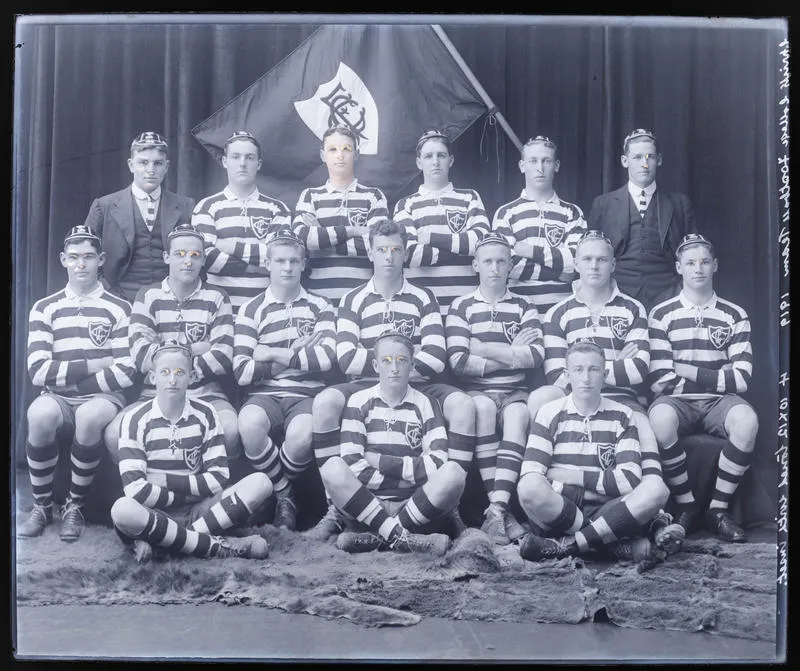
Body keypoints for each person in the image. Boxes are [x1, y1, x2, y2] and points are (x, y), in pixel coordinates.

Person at [307, 219, 476, 541]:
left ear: (405, 254)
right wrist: (392, 365)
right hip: (366, 383)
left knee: (464, 405)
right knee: (325, 401)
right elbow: (346, 358)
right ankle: (336, 509)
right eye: (382, 250)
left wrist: (396, 365)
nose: (389, 256)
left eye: (396, 249)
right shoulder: (353, 299)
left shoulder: (422, 297)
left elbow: (436, 357)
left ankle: (450, 505)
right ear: (370, 253)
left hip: (417, 381)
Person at [526, 229, 683, 554]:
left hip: (622, 400)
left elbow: (638, 369)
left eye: (601, 259)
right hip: (573, 399)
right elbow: (557, 375)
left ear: (613, 264)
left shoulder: (633, 309)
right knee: (542, 399)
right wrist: (610, 363)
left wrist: (589, 368)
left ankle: (656, 517)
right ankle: (615, 535)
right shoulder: (558, 312)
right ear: (576, 264)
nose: (594, 266)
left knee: (642, 423)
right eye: (587, 259)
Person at [19, 225, 137, 541]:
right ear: (63, 260)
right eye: (73, 257)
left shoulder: (119, 308)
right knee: (39, 414)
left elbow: (126, 371)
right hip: (57, 397)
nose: (81, 264)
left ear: (101, 259)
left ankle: (75, 506)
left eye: (88, 257)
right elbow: (38, 371)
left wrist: (77, 385)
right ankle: (42, 506)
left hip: (103, 397)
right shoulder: (45, 308)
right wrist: (93, 364)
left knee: (89, 415)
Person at [110, 341, 272, 562]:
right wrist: (186, 493)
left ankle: (169, 545)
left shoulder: (206, 413)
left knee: (261, 483)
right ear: (152, 377)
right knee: (122, 509)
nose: (172, 380)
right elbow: (135, 490)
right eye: (165, 372)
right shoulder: (134, 419)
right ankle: (216, 546)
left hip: (200, 510)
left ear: (192, 377)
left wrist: (165, 480)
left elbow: (218, 479)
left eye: (180, 372)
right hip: (155, 512)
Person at [517, 341, 671, 564]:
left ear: (605, 375)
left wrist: (572, 476)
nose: (586, 378)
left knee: (656, 489)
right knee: (528, 486)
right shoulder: (549, 412)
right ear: (567, 375)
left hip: (607, 510)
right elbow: (532, 473)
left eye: (594, 370)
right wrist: (593, 492)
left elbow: (629, 481)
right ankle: (611, 545)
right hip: (561, 510)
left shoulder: (623, 414)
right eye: (578, 370)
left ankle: (568, 545)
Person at [648, 234, 758, 542]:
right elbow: (662, 379)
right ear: (679, 268)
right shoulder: (661, 314)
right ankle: (687, 506)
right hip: (675, 401)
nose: (698, 269)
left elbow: (741, 379)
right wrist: (717, 374)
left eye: (705, 262)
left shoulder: (734, 314)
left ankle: (717, 510)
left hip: (719, 402)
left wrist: (688, 369)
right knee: (660, 420)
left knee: (747, 421)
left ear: (715, 266)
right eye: (690, 263)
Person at [102, 223, 238, 460]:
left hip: (206, 393)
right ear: (167, 257)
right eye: (180, 254)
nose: (188, 261)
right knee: (115, 434)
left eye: (195, 255)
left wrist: (162, 351)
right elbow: (141, 357)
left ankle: (216, 481)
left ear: (203, 259)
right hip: (154, 393)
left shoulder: (217, 297)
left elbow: (222, 357)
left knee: (231, 429)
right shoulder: (148, 295)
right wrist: (194, 348)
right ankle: (143, 481)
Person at [320, 330, 462, 556]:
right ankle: (400, 538)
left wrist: (381, 462)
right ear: (376, 366)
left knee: (454, 472)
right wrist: (407, 477)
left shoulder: (427, 403)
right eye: (386, 361)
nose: (394, 368)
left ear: (412, 365)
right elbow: (353, 465)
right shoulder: (358, 401)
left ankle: (379, 538)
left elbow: (436, 463)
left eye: (401, 360)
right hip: (367, 505)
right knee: (332, 468)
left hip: (414, 506)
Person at [446, 232, 545, 545]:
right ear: (475, 265)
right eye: (488, 261)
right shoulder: (462, 306)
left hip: (515, 391)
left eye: (502, 261)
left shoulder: (524, 305)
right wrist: (511, 352)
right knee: (484, 408)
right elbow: (459, 361)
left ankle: (497, 509)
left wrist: (484, 349)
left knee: (518, 415)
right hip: (477, 392)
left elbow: (535, 356)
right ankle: (503, 514)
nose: (495, 268)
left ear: (511, 265)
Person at [234, 228, 336, 531]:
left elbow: (325, 360)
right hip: (264, 394)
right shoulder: (251, 309)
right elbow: (243, 371)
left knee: (303, 434)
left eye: (293, 261)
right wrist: (294, 354)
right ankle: (285, 494)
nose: (287, 268)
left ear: (303, 264)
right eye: (280, 261)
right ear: (268, 264)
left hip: (306, 394)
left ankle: (278, 493)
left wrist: (271, 353)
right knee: (248, 424)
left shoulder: (321, 306)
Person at [587, 128, 698, 313]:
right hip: (616, 294)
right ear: (625, 161)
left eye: (650, 157)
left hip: (669, 293)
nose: (644, 164)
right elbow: (589, 254)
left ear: (659, 160)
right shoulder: (603, 204)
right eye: (637, 157)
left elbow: (694, 253)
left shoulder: (679, 204)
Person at [84, 132, 195, 303]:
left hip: (172, 300)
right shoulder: (104, 206)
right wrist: (107, 292)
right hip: (118, 299)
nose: (151, 169)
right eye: (143, 162)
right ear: (131, 165)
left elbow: (197, 255)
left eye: (158, 163)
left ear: (166, 167)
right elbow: (85, 254)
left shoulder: (185, 206)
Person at [192, 130, 292, 314]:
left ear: (258, 164)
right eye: (236, 157)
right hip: (219, 310)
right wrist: (260, 267)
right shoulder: (206, 207)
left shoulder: (278, 209)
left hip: (265, 310)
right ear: (224, 161)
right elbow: (207, 259)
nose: (242, 163)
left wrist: (227, 246)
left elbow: (280, 258)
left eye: (250, 157)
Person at [393, 129, 491, 313]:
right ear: (419, 162)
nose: (435, 162)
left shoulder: (470, 197)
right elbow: (410, 254)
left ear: (451, 160)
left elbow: (481, 243)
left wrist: (429, 237)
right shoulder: (405, 204)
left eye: (441, 155)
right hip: (420, 305)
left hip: (466, 304)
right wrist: (462, 252)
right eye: (428, 156)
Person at [292, 125, 389, 307]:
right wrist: (355, 231)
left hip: (365, 299)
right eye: (333, 149)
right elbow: (302, 239)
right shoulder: (310, 196)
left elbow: (378, 246)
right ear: (323, 155)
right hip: (319, 299)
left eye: (346, 149)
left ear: (356, 154)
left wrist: (322, 236)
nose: (340, 155)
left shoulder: (373, 196)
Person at [491, 135, 587, 316]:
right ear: (522, 166)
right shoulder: (506, 213)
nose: (540, 168)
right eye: (533, 161)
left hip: (562, 311)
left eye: (546, 161)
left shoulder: (572, 212)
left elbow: (576, 262)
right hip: (517, 311)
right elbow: (507, 266)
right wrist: (557, 273)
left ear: (556, 165)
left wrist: (529, 251)